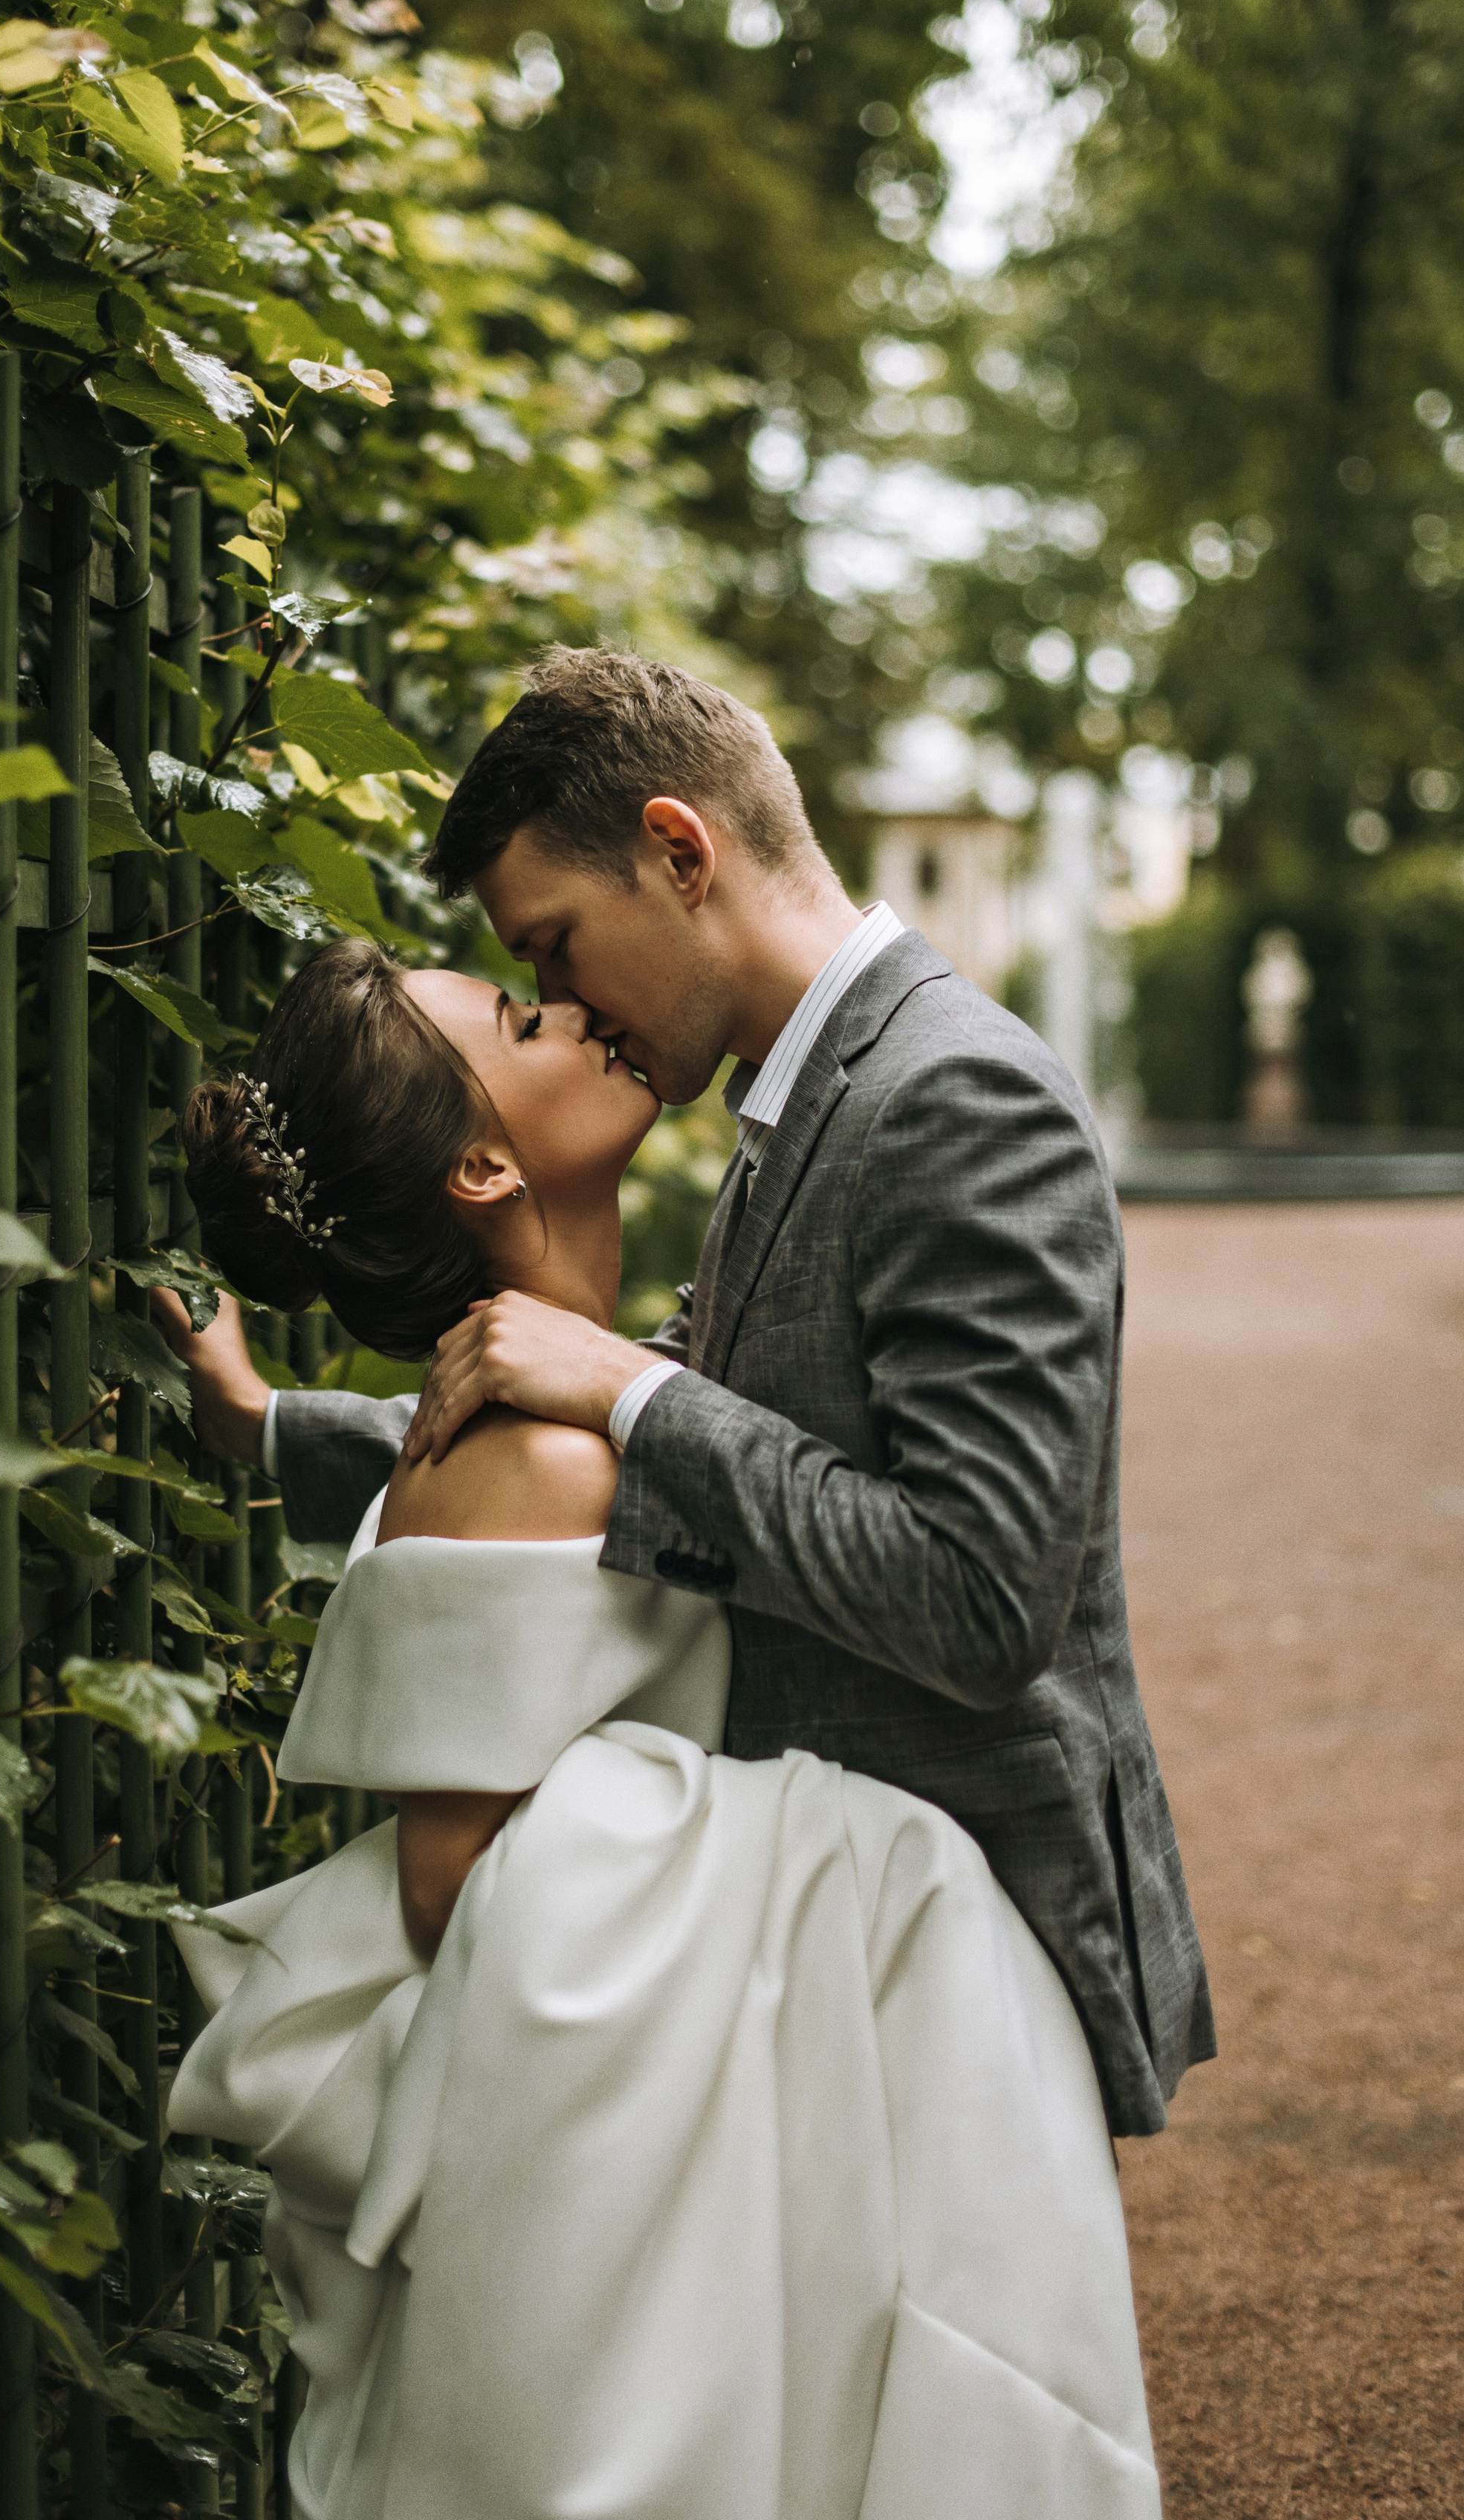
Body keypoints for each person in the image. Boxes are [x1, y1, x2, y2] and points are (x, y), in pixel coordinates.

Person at [161, 647, 1213, 2145]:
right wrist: (270, 1433)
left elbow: (985, 1600)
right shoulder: (796, 1100)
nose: (559, 1001)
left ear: (675, 851)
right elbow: (572, 1476)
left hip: (968, 1930)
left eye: (553, 945)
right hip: (826, 1988)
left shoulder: (951, 1098)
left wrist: (630, 1392)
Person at [163, 938, 1162, 2518]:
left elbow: (640, 1446)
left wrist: (267, 1423)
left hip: (649, 2114)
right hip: (605, 2168)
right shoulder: (535, 1461)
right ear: (484, 1162)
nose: (563, 1007)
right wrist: (846, 1853)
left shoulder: (558, 1409)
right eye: (516, 1013)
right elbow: (448, 1884)